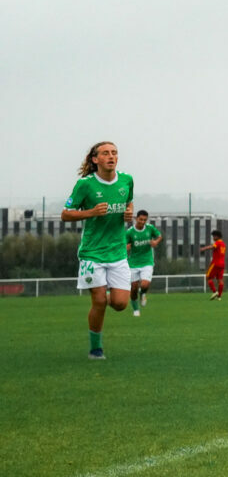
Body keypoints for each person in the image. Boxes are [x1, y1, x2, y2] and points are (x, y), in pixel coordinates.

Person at [61, 141, 135, 360]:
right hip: (92, 253)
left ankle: (105, 294)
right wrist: (91, 212)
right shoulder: (85, 185)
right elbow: (66, 214)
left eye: (114, 153)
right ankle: (95, 348)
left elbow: (129, 202)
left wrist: (129, 212)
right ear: (95, 159)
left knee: (120, 304)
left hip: (118, 252)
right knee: (99, 302)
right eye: (105, 153)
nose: (111, 156)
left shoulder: (126, 180)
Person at [125, 210, 162, 316]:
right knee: (133, 288)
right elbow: (124, 245)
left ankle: (143, 293)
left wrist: (155, 242)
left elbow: (159, 236)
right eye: (140, 219)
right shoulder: (130, 232)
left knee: (145, 284)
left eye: (144, 220)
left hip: (147, 261)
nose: (142, 222)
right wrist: (127, 247)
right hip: (133, 263)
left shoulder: (150, 228)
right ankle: (136, 310)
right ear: (136, 219)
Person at [199, 230, 227, 300]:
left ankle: (215, 292)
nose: (213, 238)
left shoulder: (218, 243)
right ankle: (219, 297)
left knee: (208, 277)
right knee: (220, 280)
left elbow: (212, 247)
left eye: (214, 236)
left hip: (215, 263)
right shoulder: (223, 244)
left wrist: (204, 248)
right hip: (222, 264)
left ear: (217, 236)